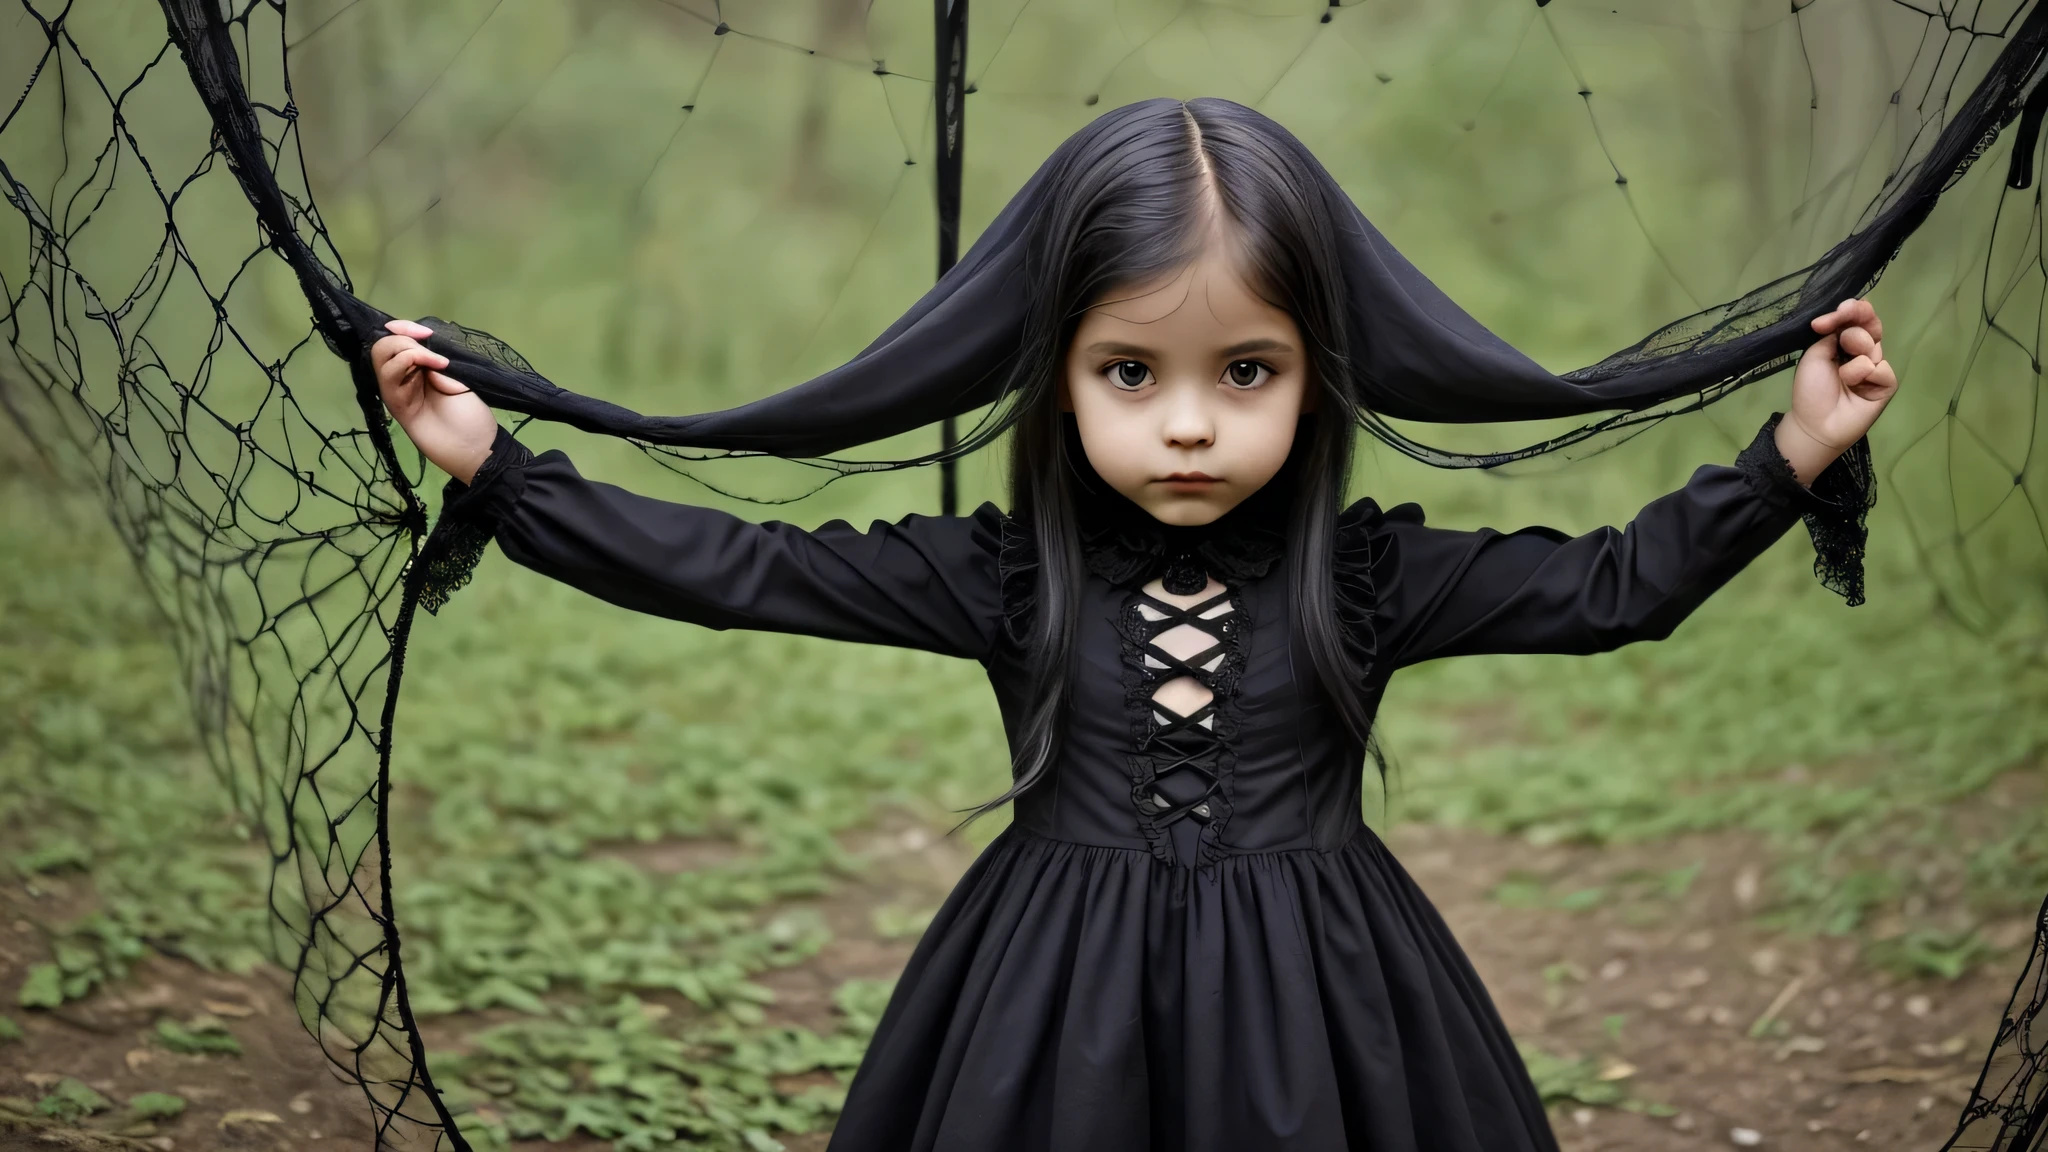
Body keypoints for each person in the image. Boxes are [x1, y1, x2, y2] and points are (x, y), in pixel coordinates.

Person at [371, 98, 1895, 1152]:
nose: (1186, 429)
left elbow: (1614, 589)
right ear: (1053, 372)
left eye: (1246, 373)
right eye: (1128, 373)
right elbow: (739, 569)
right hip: (1044, 1004)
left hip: (1326, 1005)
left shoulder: (1365, 579)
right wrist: (501, 470)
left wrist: (1794, 455)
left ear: (1320, 373)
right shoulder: (1007, 574)